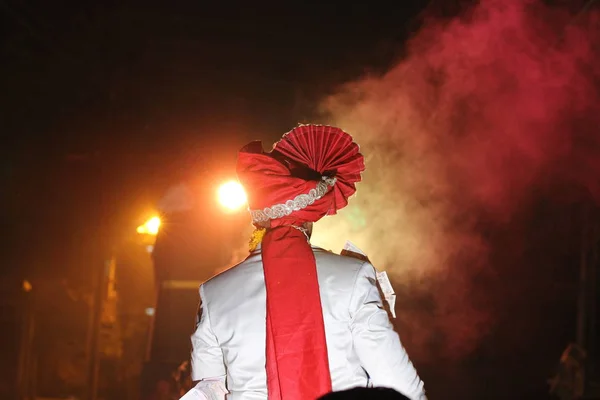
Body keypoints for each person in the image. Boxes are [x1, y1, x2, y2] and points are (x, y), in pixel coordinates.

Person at [189, 125, 426, 400]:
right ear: (310, 215)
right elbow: (400, 386)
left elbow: (208, 391)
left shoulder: (214, 292)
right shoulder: (354, 276)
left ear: (256, 217)